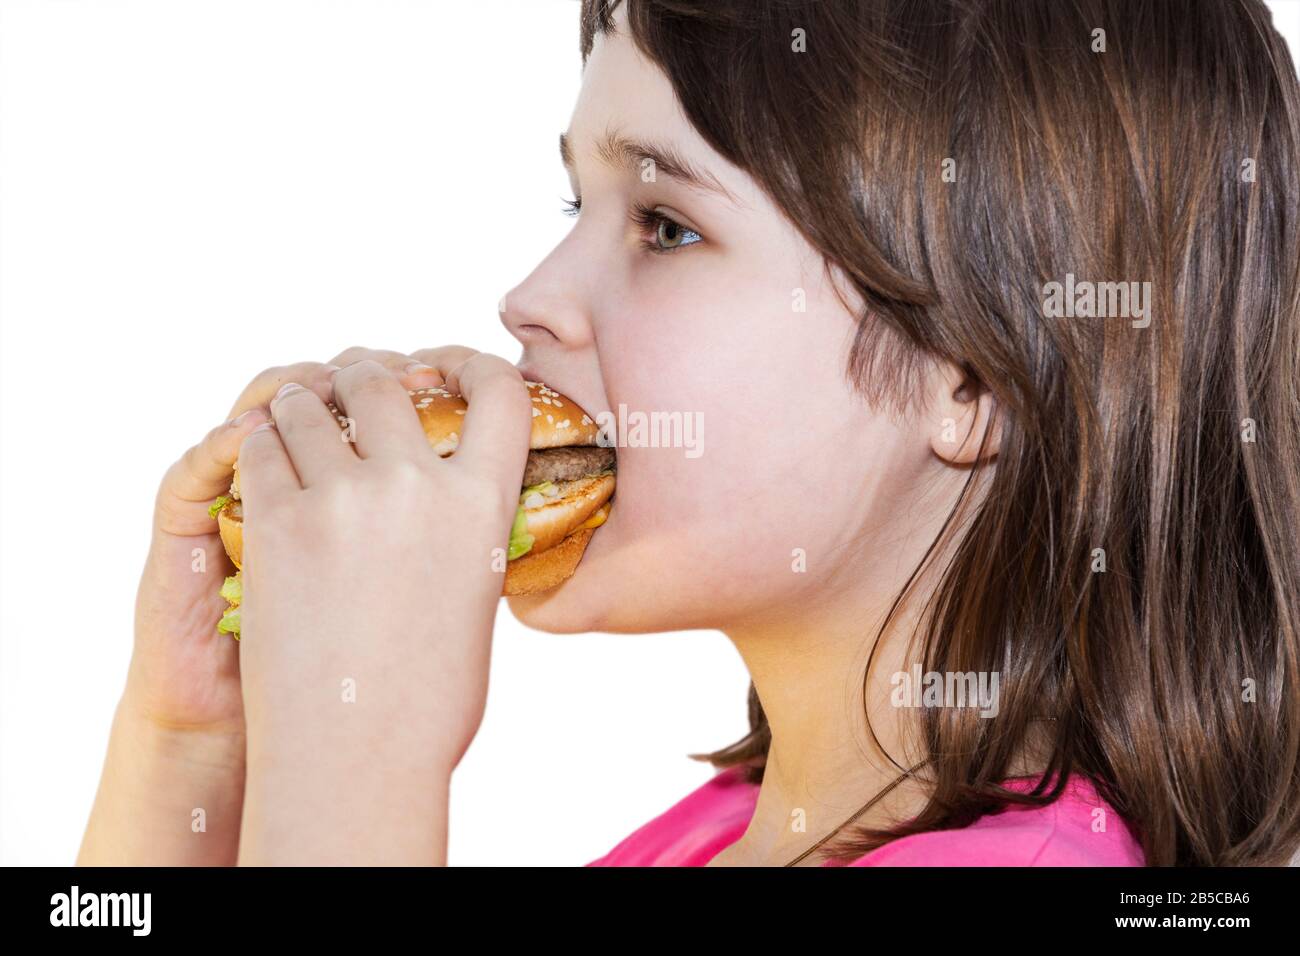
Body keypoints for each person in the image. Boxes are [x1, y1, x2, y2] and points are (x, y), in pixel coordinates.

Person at [79, 0, 1300, 866]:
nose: (530, 295)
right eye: (576, 200)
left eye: (664, 223)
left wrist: (358, 761)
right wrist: (194, 743)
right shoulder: (727, 831)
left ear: (972, 379)